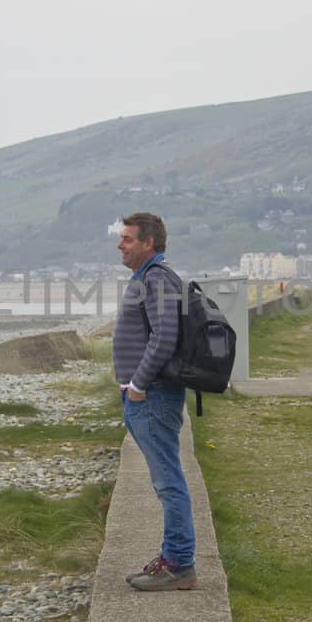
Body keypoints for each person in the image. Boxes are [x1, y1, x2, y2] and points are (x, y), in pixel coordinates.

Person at [113, 212, 196, 592]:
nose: (120, 245)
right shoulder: (147, 278)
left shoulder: (157, 278)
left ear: (149, 243)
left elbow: (164, 337)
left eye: (128, 239)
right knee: (165, 481)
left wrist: (138, 385)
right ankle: (172, 558)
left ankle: (179, 565)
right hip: (146, 395)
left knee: (168, 483)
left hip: (153, 395)